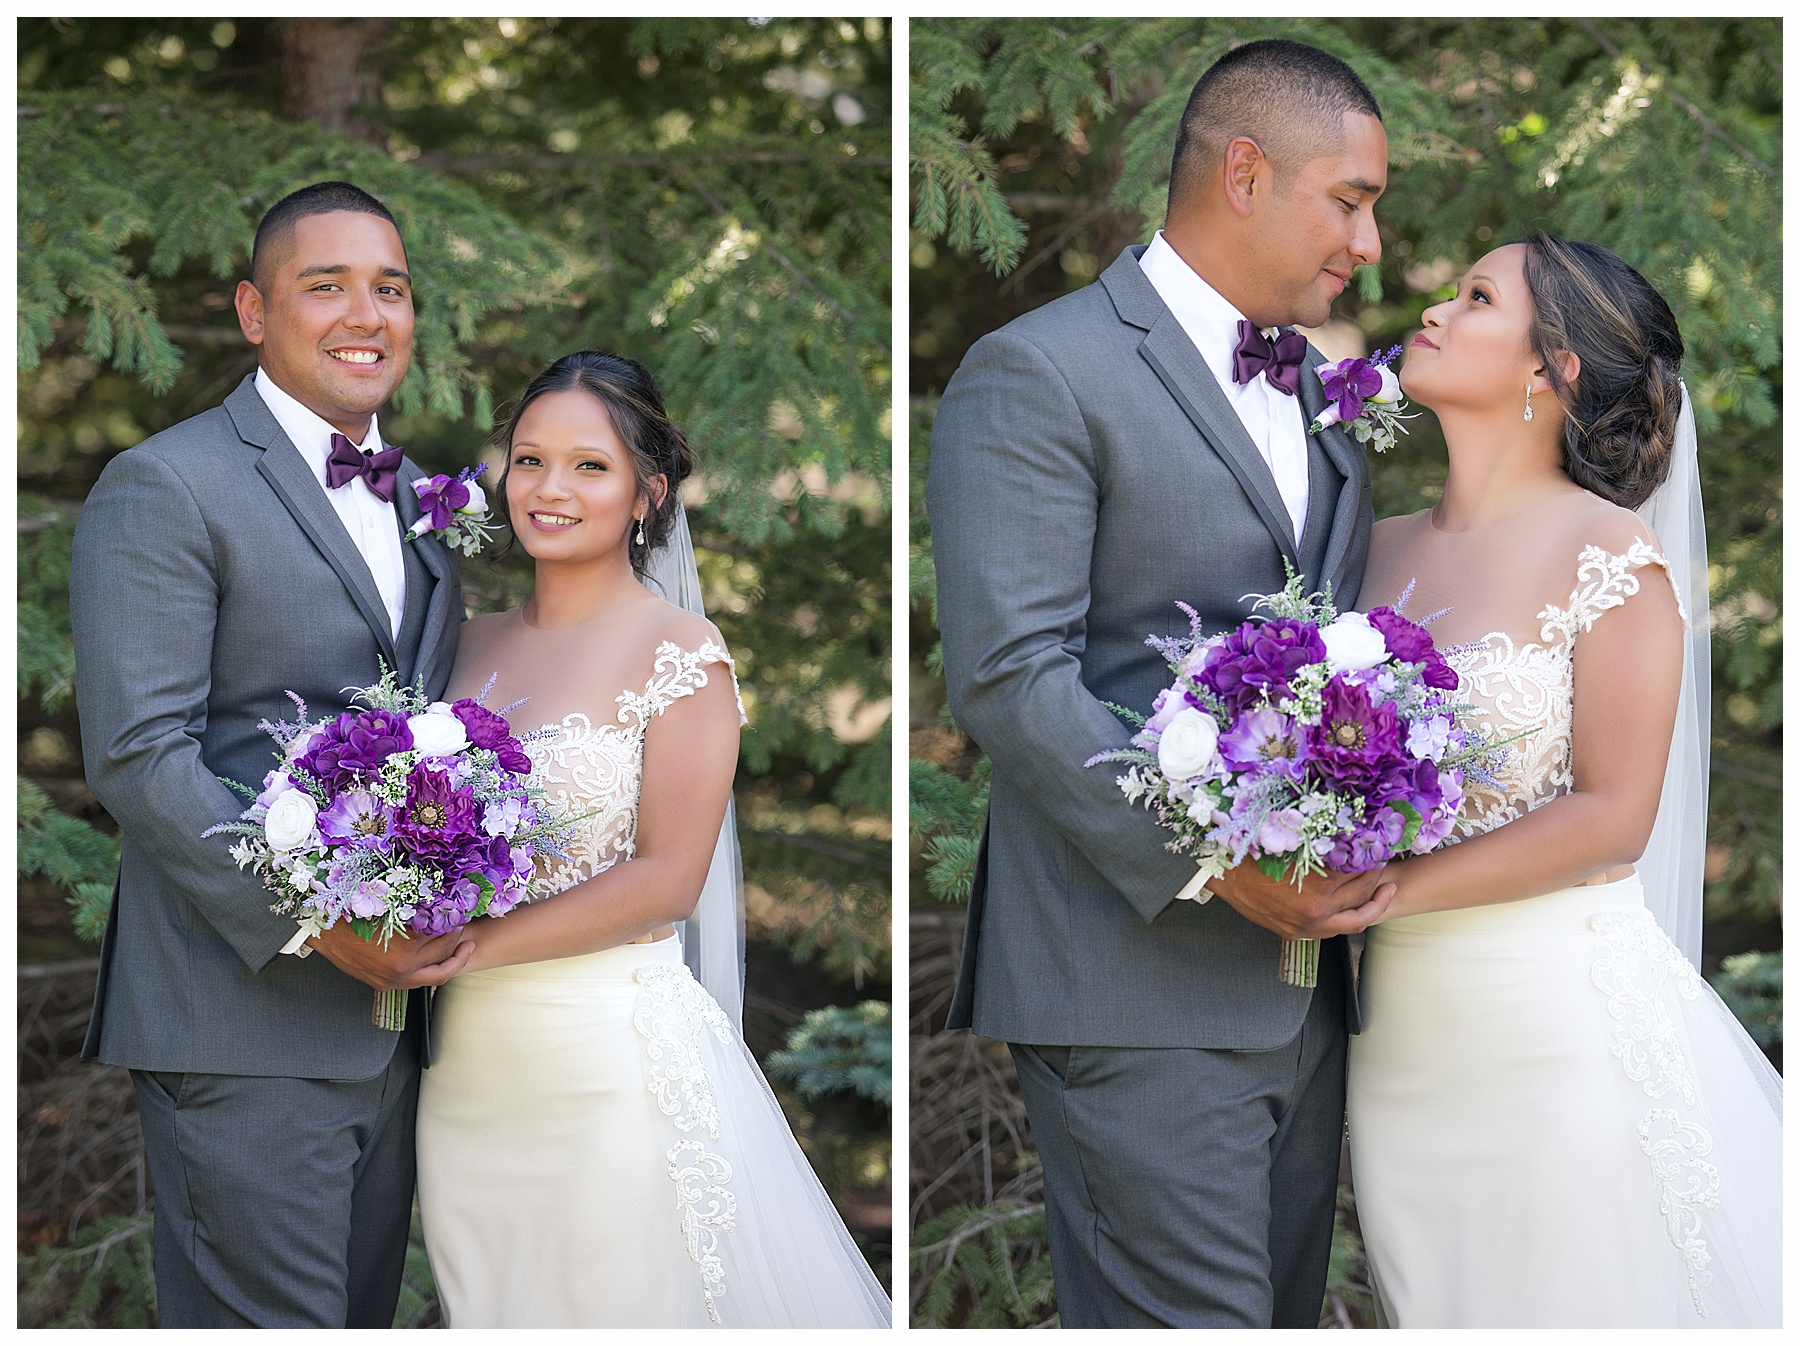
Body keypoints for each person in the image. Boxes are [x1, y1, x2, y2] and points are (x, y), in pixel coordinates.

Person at [930, 41, 1397, 1327]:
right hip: (1131, 974)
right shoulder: (1043, 370)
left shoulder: (1327, 394)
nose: (1369, 241)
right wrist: (1210, 862)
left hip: (1308, 990)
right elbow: (1013, 674)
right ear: (1245, 171)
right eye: (1350, 199)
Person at [1345, 236, 1782, 1326]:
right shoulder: (1365, 545)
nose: (1437, 309)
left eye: (1477, 297)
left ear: (1553, 368)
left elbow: (1611, 818)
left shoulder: (1611, 554)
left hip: (1553, 1031)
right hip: (1398, 1041)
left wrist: (1388, 890)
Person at [413, 351, 892, 1328]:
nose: (549, 488)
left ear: (648, 491)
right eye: (529, 459)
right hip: (464, 1067)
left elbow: (669, 878)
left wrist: (467, 951)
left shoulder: (680, 653)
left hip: (603, 1060)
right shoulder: (459, 641)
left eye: (589, 466)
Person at [71, 181, 472, 1327]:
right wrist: (315, 921)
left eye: (389, 287)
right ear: (254, 311)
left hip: (398, 1038)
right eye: (325, 284)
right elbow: (142, 754)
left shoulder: (429, 502)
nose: (366, 312)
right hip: (239, 1017)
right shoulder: (168, 484)